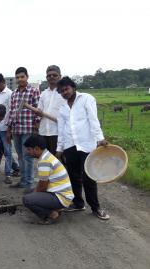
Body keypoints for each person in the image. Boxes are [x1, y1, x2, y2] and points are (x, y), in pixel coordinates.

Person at [56, 77, 110, 220]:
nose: (64, 93)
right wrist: (59, 148)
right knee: (73, 176)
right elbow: (61, 129)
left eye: (66, 89)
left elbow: (93, 119)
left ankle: (96, 207)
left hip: (86, 145)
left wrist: (100, 138)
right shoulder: (62, 107)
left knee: (89, 177)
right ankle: (78, 203)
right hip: (69, 145)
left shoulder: (86, 99)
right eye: (61, 91)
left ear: (73, 87)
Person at [23, 135, 74, 224]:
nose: (28, 152)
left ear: (36, 149)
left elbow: (43, 186)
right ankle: (55, 207)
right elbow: (42, 182)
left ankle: (52, 214)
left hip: (60, 196)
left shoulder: (44, 161)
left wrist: (33, 196)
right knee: (29, 193)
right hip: (60, 193)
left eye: (29, 149)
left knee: (27, 200)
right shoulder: (47, 155)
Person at [6, 67, 40, 193]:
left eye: (22, 77)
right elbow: (12, 112)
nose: (20, 79)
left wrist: (36, 127)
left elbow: (38, 109)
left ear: (27, 77)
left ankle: (30, 184)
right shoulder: (14, 93)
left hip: (28, 129)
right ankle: (23, 180)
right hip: (16, 130)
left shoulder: (33, 91)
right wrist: (9, 130)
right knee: (20, 156)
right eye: (18, 77)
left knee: (28, 156)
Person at [37, 65, 65, 154]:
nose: (51, 77)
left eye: (54, 75)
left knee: (59, 161)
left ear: (60, 76)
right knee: (45, 160)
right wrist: (38, 113)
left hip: (58, 133)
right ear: (46, 78)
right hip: (44, 132)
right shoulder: (43, 94)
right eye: (49, 75)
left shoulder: (64, 92)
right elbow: (39, 112)